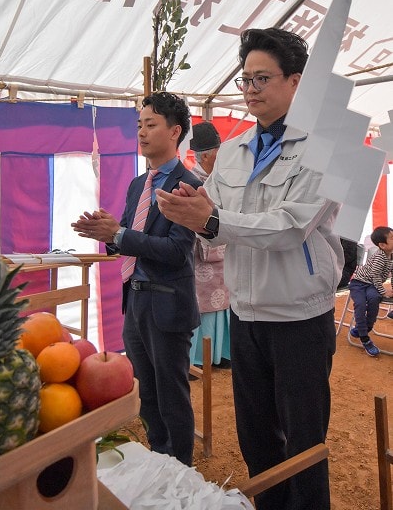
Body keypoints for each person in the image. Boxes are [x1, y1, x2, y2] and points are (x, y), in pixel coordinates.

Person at [156, 28, 344, 510]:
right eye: (245, 79)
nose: (251, 88)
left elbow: (289, 227)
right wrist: (196, 209)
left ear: (296, 82)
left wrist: (213, 218)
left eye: (262, 77)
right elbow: (216, 222)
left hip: (300, 315)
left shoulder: (324, 147)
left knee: (304, 443)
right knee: (256, 436)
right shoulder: (236, 150)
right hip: (247, 313)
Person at [71, 91, 201, 467]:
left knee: (171, 392)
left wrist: (120, 236)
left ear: (175, 132)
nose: (141, 133)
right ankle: (158, 457)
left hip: (168, 304)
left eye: (151, 124)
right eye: (139, 125)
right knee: (145, 392)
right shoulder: (137, 184)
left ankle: (180, 468)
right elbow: (129, 238)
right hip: (136, 298)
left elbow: (177, 249)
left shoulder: (186, 184)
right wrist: (108, 235)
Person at [189, 122, 230, 368]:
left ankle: (222, 353)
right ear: (205, 155)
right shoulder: (192, 181)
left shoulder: (220, 179)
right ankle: (200, 357)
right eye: (217, 152)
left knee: (225, 301)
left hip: (224, 250)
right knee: (204, 304)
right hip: (202, 253)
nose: (221, 156)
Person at [349, 226, 393, 355]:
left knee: (374, 298)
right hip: (359, 284)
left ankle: (366, 327)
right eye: (392, 238)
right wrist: (384, 291)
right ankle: (365, 338)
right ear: (382, 245)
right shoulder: (380, 257)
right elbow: (375, 276)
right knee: (361, 305)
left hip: (372, 285)